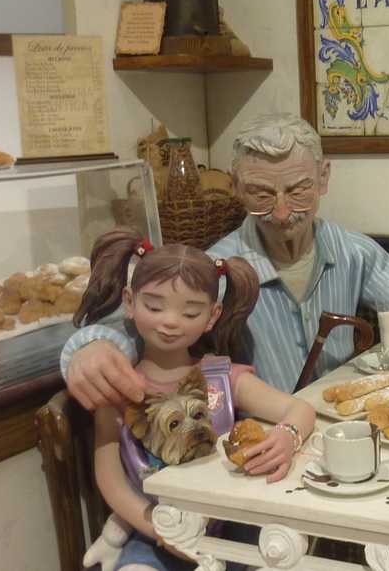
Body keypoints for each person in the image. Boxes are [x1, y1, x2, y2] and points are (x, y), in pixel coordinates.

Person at [61, 113, 389, 410]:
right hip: (261, 446)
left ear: (323, 178)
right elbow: (146, 323)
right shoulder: (217, 268)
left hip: (342, 432)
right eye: (260, 193)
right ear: (235, 186)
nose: (279, 212)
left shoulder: (353, 252)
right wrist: (92, 346)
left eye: (297, 191)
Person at [80, 228, 315, 571]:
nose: (170, 322)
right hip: (153, 537)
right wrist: (160, 531)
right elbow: (111, 478)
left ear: (213, 316)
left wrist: (287, 436)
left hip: (226, 537)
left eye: (190, 313)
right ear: (129, 302)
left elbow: (300, 408)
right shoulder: (118, 387)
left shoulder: (223, 377)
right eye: (155, 306)